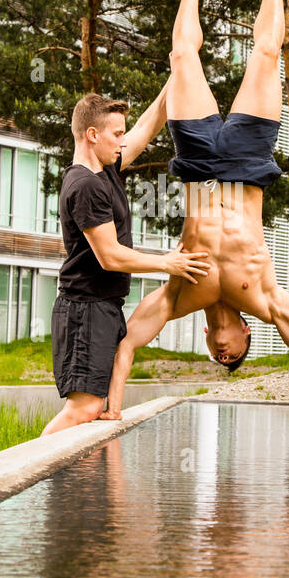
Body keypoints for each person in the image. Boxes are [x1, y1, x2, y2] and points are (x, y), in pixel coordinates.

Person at [102, 0, 289, 432]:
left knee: (179, 57)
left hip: (197, 166)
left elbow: (127, 341)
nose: (223, 354)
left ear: (205, 342)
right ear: (245, 338)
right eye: (232, 357)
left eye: (218, 359)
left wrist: (112, 408)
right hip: (245, 162)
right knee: (266, 54)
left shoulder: (179, 296)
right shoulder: (262, 296)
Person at [42, 88, 209, 435]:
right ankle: (30, 477)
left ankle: (73, 489)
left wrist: (176, 75)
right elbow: (110, 256)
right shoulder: (86, 185)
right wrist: (168, 263)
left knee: (91, 409)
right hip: (84, 309)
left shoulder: (104, 169)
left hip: (100, 309)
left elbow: (147, 127)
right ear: (92, 135)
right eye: (117, 134)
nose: (123, 141)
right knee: (83, 409)